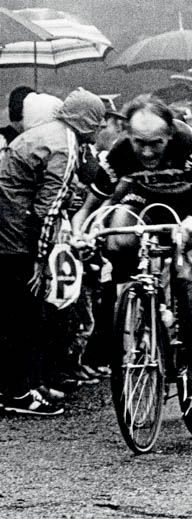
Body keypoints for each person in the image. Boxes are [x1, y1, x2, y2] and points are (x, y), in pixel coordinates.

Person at [72, 97, 192, 409]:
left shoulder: (185, 144)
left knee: (183, 273)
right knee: (116, 234)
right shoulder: (121, 151)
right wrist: (81, 235)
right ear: (129, 135)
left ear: (168, 136)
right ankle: (142, 308)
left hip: (191, 212)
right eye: (139, 143)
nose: (146, 152)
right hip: (147, 208)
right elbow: (87, 209)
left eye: (155, 144)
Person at [0, 88, 106, 416]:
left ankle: (27, 383)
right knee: (25, 316)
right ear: (87, 124)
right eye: (98, 123)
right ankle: (18, 392)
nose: (101, 130)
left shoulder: (49, 133)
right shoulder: (64, 146)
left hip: (11, 229)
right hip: (16, 237)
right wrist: (41, 259)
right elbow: (48, 208)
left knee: (24, 315)